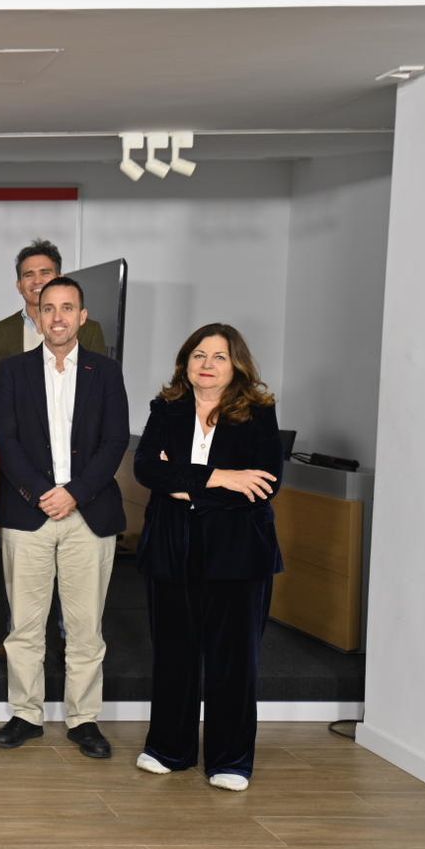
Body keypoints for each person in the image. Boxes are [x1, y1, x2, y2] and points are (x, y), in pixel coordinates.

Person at [133, 324, 283, 792]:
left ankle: (230, 759)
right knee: (174, 652)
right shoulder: (167, 408)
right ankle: (169, 749)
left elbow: (262, 485)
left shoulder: (258, 413)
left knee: (233, 660)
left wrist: (185, 484)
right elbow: (145, 469)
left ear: (236, 363)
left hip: (238, 553)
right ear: (186, 361)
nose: (207, 363)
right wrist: (220, 476)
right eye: (199, 354)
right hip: (172, 547)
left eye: (219, 356)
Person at [0, 276, 129, 759]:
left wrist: (73, 494)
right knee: (25, 626)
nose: (58, 317)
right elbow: (4, 441)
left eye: (68, 308)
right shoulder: (13, 371)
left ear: (83, 317)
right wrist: (43, 492)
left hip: (88, 515)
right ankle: (26, 714)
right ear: (37, 314)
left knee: (85, 626)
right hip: (29, 512)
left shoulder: (105, 372)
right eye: (49, 308)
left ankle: (83, 719)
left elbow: (115, 442)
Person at [0, 239, 105, 399]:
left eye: (45, 272)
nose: (37, 280)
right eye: (28, 275)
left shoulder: (90, 329)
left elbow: (99, 390)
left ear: (60, 277)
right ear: (19, 285)